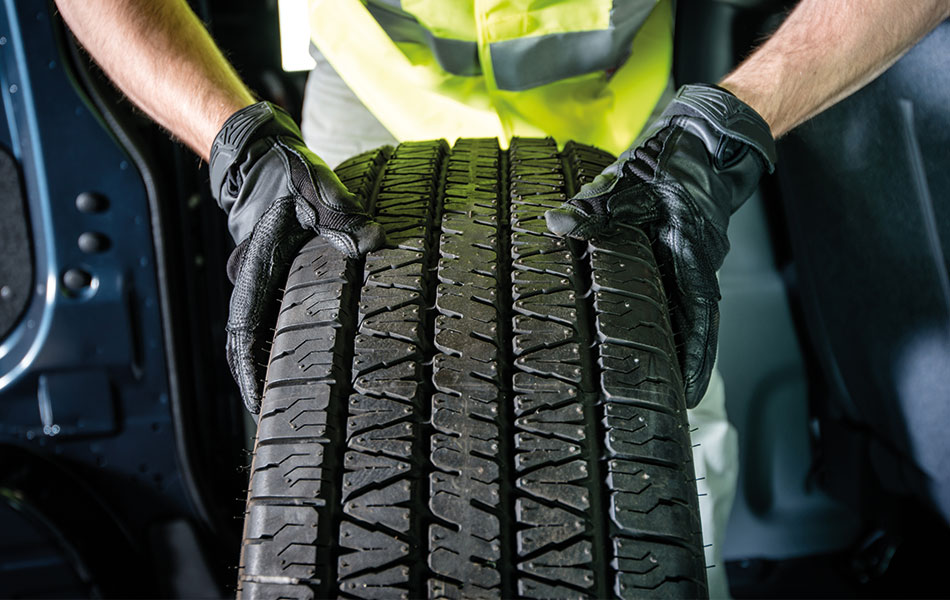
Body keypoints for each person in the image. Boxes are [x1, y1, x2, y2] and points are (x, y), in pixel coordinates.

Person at [52, 1, 950, 597]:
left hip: (614, 120)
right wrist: (235, 142)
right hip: (365, 113)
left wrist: (727, 127)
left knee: (656, 437)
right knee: (329, 448)